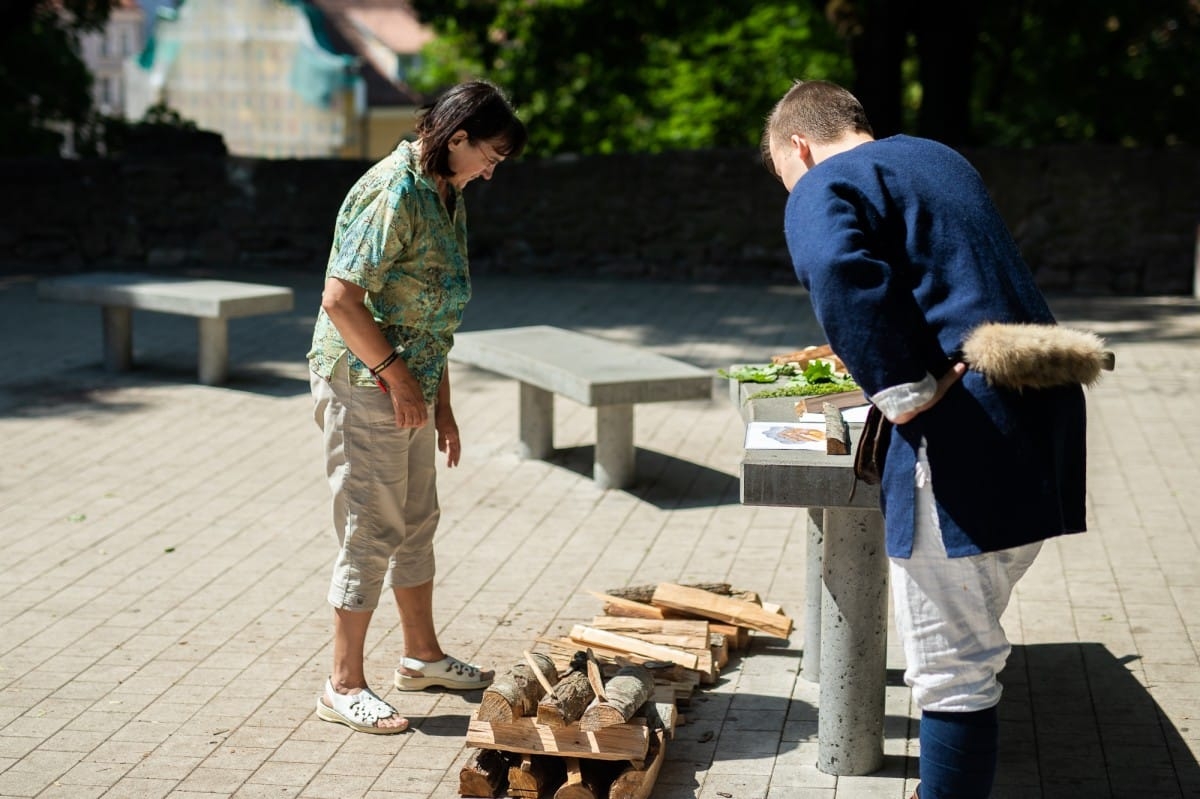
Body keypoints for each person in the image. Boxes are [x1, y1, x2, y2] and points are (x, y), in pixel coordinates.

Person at [761, 80, 1087, 798]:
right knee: (970, 644)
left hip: (969, 436)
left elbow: (842, 272)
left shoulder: (823, 181)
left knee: (953, 667)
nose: (793, 192)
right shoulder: (937, 158)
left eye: (787, 177)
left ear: (800, 146)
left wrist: (906, 391)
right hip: (1043, 417)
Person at [307, 80, 527, 734]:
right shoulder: (394, 191)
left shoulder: (445, 191)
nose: (493, 170)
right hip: (362, 380)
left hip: (408, 381)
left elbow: (430, 313)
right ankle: (341, 683)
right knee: (371, 526)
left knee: (415, 519)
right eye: (491, 153)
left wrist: (442, 402)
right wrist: (400, 380)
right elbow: (340, 298)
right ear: (456, 136)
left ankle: (421, 655)